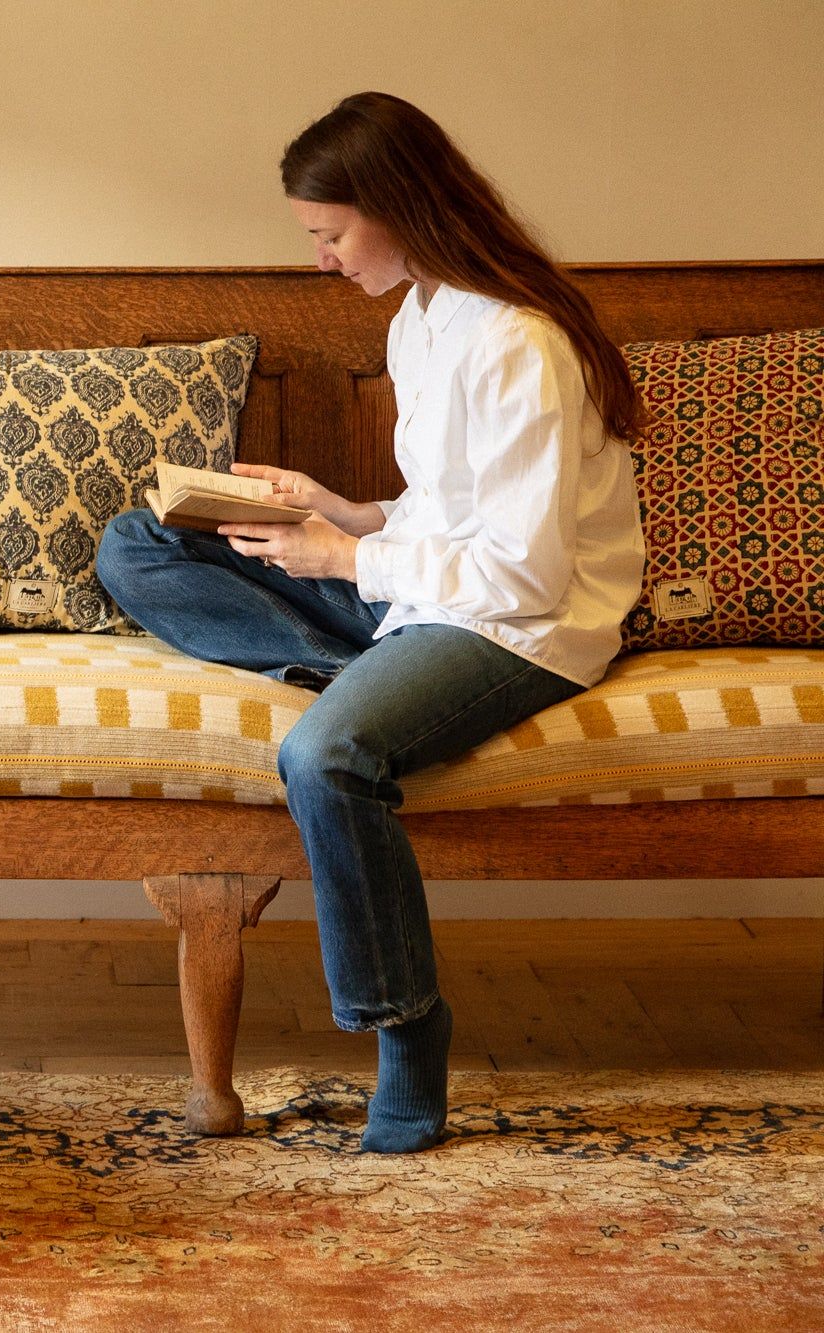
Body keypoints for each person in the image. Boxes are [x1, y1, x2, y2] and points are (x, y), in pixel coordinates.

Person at [95, 91, 646, 1153]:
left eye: (331, 234)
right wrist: (340, 511)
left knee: (328, 757)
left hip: (516, 627)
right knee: (140, 542)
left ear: (399, 207)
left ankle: (407, 1025)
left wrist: (342, 557)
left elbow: (522, 573)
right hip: (423, 589)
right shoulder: (419, 319)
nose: (322, 260)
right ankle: (346, 668)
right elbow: (449, 511)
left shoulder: (517, 343)